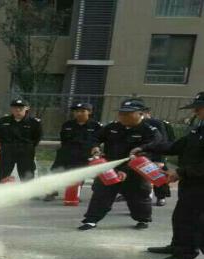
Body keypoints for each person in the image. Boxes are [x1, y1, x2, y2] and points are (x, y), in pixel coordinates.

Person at [132, 92, 204, 259]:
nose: (195, 112)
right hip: (191, 183)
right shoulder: (199, 129)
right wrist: (146, 148)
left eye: (199, 108)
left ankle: (184, 255)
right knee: (181, 217)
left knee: (191, 221)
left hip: (200, 184)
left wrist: (181, 172)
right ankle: (177, 247)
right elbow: (176, 146)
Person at [78, 98, 162, 231]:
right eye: (121, 113)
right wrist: (95, 146)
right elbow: (95, 137)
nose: (123, 116)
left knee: (138, 196)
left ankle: (143, 219)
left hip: (135, 170)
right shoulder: (112, 127)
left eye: (128, 114)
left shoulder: (149, 131)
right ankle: (91, 220)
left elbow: (150, 150)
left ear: (141, 114)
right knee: (101, 194)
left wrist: (126, 170)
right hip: (110, 167)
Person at [44, 102, 101, 201]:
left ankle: (74, 194)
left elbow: (98, 139)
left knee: (79, 174)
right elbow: (63, 139)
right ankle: (51, 192)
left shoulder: (95, 126)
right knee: (56, 171)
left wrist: (96, 147)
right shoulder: (67, 125)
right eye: (76, 111)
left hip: (83, 153)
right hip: (66, 152)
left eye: (82, 111)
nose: (79, 113)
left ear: (89, 112)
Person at [0, 98, 42, 183]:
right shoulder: (3, 121)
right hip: (7, 153)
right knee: (2, 177)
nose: (18, 110)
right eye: (15, 108)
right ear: (11, 109)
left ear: (26, 108)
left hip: (25, 154)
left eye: (21, 108)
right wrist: (7, 145)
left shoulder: (34, 122)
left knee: (27, 179)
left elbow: (37, 138)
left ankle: (27, 192)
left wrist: (27, 146)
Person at [141, 104, 176, 206]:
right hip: (142, 153)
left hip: (156, 153)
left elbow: (164, 141)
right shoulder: (134, 124)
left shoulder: (157, 123)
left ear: (147, 113)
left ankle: (161, 196)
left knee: (158, 174)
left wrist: (160, 158)